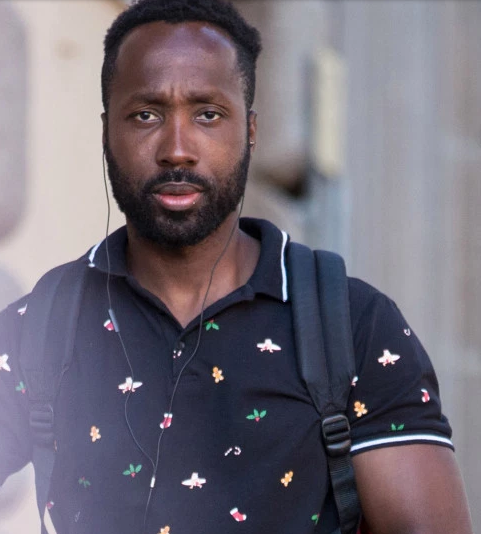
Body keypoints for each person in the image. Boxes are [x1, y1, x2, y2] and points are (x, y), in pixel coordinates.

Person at [0, 1, 473, 533]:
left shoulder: (354, 327)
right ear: (108, 131)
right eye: (146, 115)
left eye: (207, 114)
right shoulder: (44, 326)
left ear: (249, 129)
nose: (177, 150)